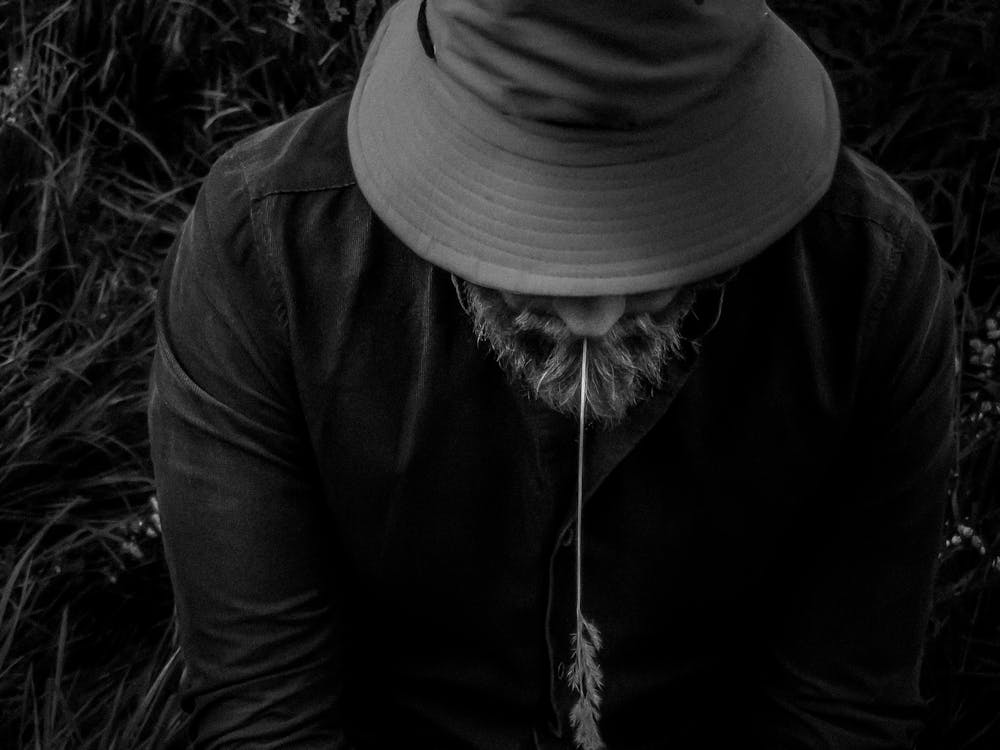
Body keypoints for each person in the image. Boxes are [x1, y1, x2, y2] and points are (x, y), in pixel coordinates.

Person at [148, 0, 957, 747]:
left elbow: (838, 716)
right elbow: (267, 714)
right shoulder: (266, 256)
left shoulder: (868, 284)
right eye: (532, 236)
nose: (594, 316)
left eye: (661, 233)